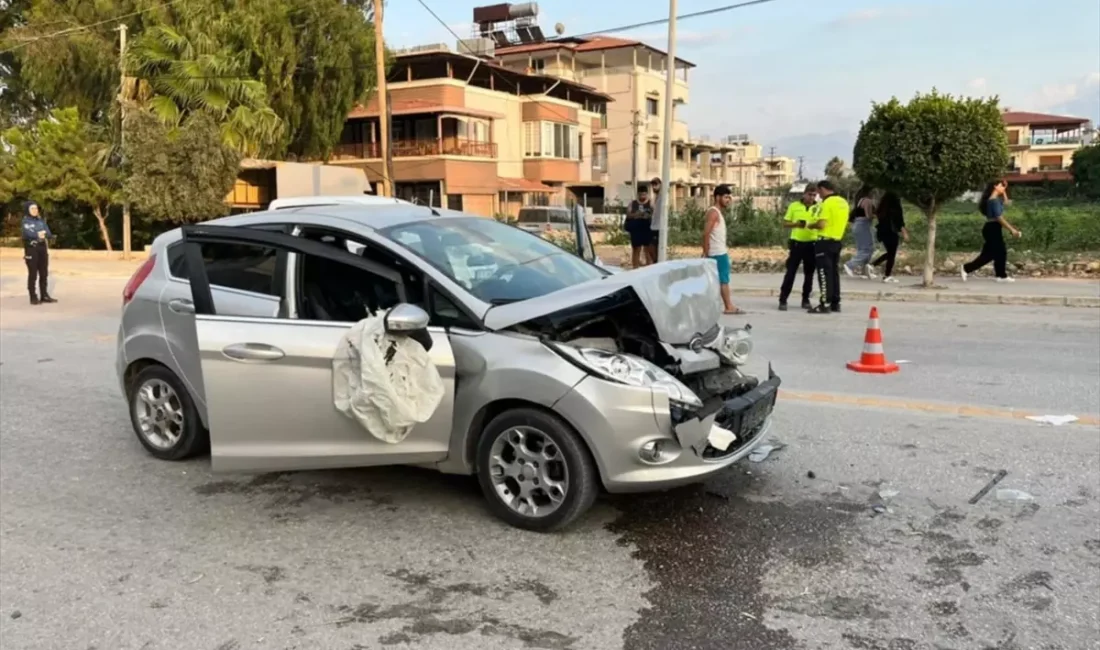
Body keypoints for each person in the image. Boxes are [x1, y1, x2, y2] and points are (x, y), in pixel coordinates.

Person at [962, 179, 1021, 283]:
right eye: (1001, 186)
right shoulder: (993, 200)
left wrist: (1004, 191)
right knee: (996, 253)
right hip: (992, 228)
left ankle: (1000, 275)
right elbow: (999, 217)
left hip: (992, 228)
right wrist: (1012, 230)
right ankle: (967, 268)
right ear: (995, 186)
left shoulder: (995, 200)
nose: (1003, 188)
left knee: (995, 253)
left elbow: (1007, 203)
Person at [807, 180, 849, 314]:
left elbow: (821, 224)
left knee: (824, 273)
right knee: (834, 273)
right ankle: (835, 303)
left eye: (818, 192)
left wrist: (811, 225)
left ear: (822, 189)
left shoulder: (827, 203)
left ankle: (825, 303)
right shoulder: (843, 202)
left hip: (824, 242)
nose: (818, 195)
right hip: (837, 240)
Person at [778, 184, 818, 311]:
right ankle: (783, 299)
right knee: (791, 272)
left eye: (814, 195)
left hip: (812, 243)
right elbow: (785, 223)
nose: (811, 197)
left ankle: (806, 299)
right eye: (809, 194)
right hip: (797, 243)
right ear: (804, 194)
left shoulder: (818, 208)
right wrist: (796, 224)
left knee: (809, 274)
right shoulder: (794, 206)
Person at [703, 185, 742, 314]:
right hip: (717, 253)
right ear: (717, 197)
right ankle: (728, 306)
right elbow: (706, 234)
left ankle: (720, 306)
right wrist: (706, 253)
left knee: (718, 281)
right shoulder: (713, 213)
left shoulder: (716, 213)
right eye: (725, 197)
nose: (728, 200)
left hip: (719, 251)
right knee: (723, 280)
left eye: (729, 197)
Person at [21, 201, 56, 305]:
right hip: (31, 249)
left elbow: (48, 233)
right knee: (33, 274)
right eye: (32, 209)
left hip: (42, 248)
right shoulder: (25, 222)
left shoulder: (41, 221)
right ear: (28, 210)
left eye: (36, 208)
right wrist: (38, 234)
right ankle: (33, 296)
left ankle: (44, 295)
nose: (35, 210)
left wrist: (42, 234)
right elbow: (28, 234)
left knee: (44, 273)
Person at [871, 190, 909, 283]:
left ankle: (873, 265)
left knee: (890, 253)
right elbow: (900, 220)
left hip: (882, 231)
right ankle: (886, 275)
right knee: (892, 254)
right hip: (891, 232)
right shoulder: (896, 206)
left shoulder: (882, 206)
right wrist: (904, 233)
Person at [844, 184, 877, 279]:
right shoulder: (867, 201)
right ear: (869, 192)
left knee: (862, 249)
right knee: (868, 249)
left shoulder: (860, 200)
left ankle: (864, 271)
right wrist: (877, 215)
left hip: (858, 224)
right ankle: (850, 265)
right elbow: (868, 216)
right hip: (864, 225)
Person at [625, 184, 654, 268]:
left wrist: (648, 215)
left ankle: (649, 269)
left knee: (648, 250)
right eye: (641, 195)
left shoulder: (651, 203)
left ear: (647, 194)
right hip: (636, 230)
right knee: (636, 249)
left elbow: (655, 214)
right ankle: (635, 268)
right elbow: (628, 215)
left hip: (647, 229)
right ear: (638, 194)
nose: (642, 197)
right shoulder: (633, 203)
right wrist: (636, 215)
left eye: (644, 194)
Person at [647, 177, 664, 265]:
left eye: (656, 184)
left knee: (654, 246)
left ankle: (657, 262)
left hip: (659, 226)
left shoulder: (662, 196)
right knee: (650, 246)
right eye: (653, 185)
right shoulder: (655, 197)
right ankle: (655, 261)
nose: (654, 187)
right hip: (653, 225)